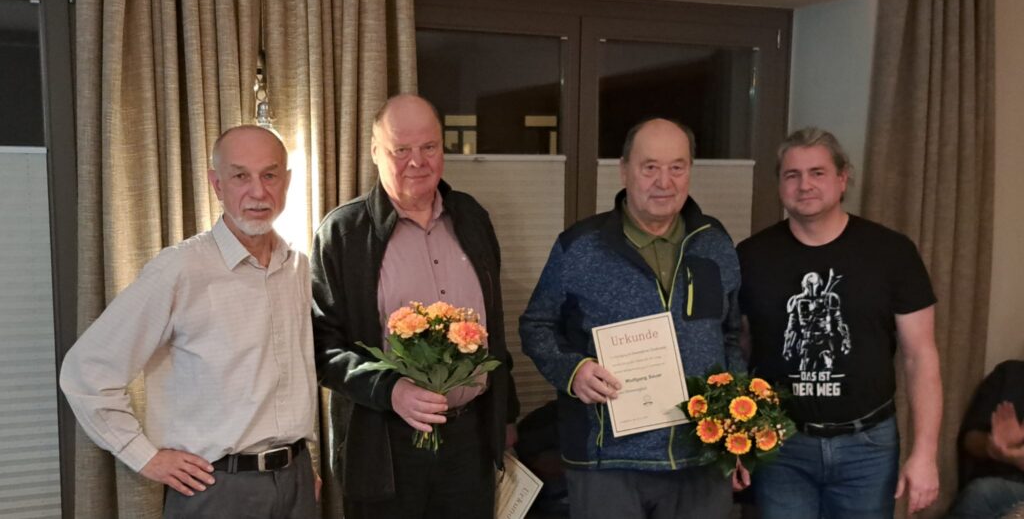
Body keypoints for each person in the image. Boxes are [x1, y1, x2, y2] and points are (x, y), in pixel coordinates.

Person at [60, 125, 318, 518]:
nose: (258, 191)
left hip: (296, 483)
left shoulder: (297, 266)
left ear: (287, 181)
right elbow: (86, 371)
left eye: (269, 175)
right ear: (217, 184)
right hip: (215, 490)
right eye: (240, 176)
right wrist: (144, 456)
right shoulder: (179, 269)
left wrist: (300, 467)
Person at [520, 117, 745, 519]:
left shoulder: (715, 243)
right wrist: (573, 371)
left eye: (677, 167)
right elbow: (537, 325)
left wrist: (737, 432)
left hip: (701, 458)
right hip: (607, 462)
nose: (664, 182)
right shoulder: (580, 246)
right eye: (650, 167)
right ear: (624, 171)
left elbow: (730, 337)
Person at [310, 94, 519, 519]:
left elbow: (494, 328)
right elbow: (321, 348)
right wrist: (390, 390)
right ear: (375, 152)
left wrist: (506, 416)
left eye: (429, 147)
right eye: (400, 149)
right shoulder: (343, 233)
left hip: (470, 441)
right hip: (384, 444)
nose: (417, 161)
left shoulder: (473, 218)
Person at [738, 127, 942, 518]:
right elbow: (740, 351)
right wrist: (736, 442)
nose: (804, 185)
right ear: (780, 184)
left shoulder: (891, 253)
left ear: (843, 178)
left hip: (868, 447)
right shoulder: (750, 257)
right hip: (780, 445)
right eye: (792, 175)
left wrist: (925, 453)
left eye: (817, 172)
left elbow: (921, 357)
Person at [946, 360, 1024, 519]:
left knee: (983, 494)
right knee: (979, 493)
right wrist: (992, 446)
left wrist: (1018, 458)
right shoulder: (1009, 374)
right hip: (992, 479)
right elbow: (969, 439)